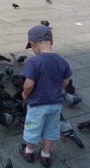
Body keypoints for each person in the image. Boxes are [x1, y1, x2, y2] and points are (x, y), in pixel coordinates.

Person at [19, 25, 72, 167]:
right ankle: (46, 155)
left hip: (37, 105)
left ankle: (29, 151)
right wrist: (56, 89)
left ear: (33, 44)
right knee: (51, 129)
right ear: (51, 42)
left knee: (32, 128)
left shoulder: (33, 62)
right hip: (55, 105)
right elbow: (66, 81)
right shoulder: (62, 61)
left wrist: (25, 94)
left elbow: (29, 84)